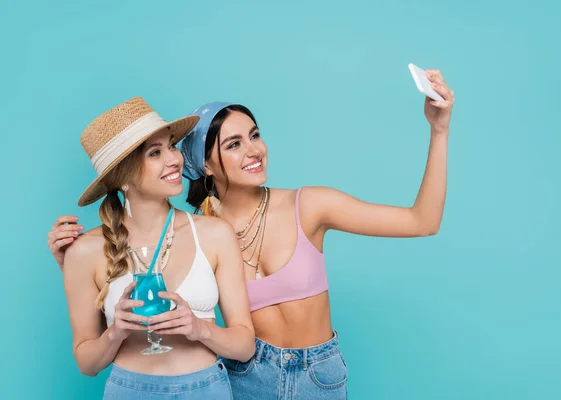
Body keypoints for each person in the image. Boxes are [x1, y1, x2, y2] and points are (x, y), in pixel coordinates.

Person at [49, 69, 455, 399]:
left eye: (255, 136)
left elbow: (422, 221)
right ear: (205, 165)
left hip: (317, 375)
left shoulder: (308, 206)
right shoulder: (201, 225)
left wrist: (439, 131)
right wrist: (78, 259)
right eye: (234, 144)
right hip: (238, 378)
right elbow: (140, 250)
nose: (254, 151)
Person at [60, 97, 254, 399]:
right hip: (129, 390)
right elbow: (87, 363)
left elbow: (244, 346)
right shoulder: (84, 251)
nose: (175, 160)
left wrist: (200, 329)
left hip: (206, 389)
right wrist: (116, 333)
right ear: (122, 176)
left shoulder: (214, 234)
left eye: (172, 146)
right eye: (155, 153)